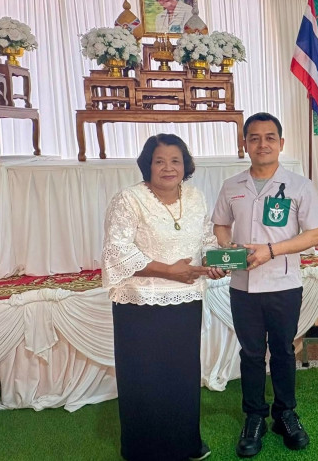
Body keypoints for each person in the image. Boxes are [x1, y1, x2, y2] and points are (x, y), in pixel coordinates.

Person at [102, 133, 226, 461]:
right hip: (139, 303)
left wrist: (214, 262)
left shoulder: (196, 197)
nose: (168, 168)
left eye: (175, 161)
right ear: (148, 165)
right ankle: (142, 450)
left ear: (185, 165)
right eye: (160, 161)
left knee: (181, 376)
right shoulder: (128, 199)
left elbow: (206, 239)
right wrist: (169, 271)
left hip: (185, 300)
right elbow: (117, 251)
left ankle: (185, 443)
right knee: (143, 378)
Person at [212, 112, 318, 457]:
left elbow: (315, 234)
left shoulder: (299, 186)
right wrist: (227, 247)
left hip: (283, 283)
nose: (262, 144)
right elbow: (220, 224)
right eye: (254, 138)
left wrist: (271, 250)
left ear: (281, 143)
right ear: (244, 144)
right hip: (242, 286)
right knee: (250, 353)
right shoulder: (232, 186)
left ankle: (285, 414)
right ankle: (254, 417)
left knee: (282, 351)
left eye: (269, 137)